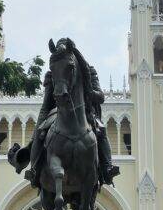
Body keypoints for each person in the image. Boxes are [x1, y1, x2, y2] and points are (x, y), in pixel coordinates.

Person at [8, 43, 119, 189]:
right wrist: (40, 124)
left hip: (85, 113)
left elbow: (100, 97)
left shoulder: (89, 72)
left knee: (102, 130)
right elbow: (47, 103)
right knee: (40, 134)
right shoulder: (53, 73)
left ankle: (107, 168)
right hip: (57, 112)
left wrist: (89, 93)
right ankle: (34, 170)